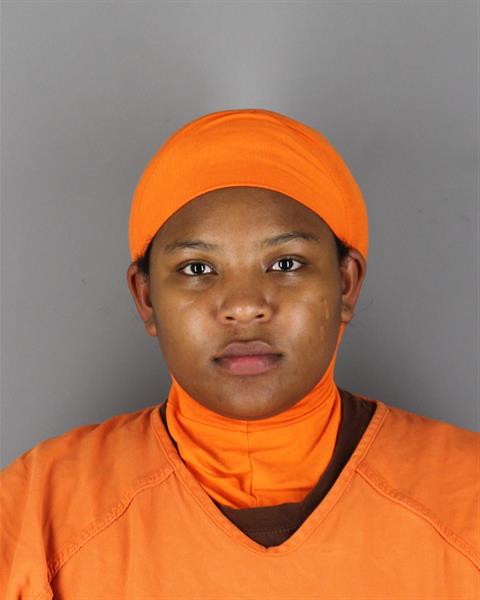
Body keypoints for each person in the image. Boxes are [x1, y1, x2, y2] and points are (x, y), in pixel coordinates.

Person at [1, 108, 478, 598]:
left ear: (346, 284)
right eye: (197, 269)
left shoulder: (467, 498)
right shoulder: (38, 510)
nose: (244, 306)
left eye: (286, 263)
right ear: (146, 297)